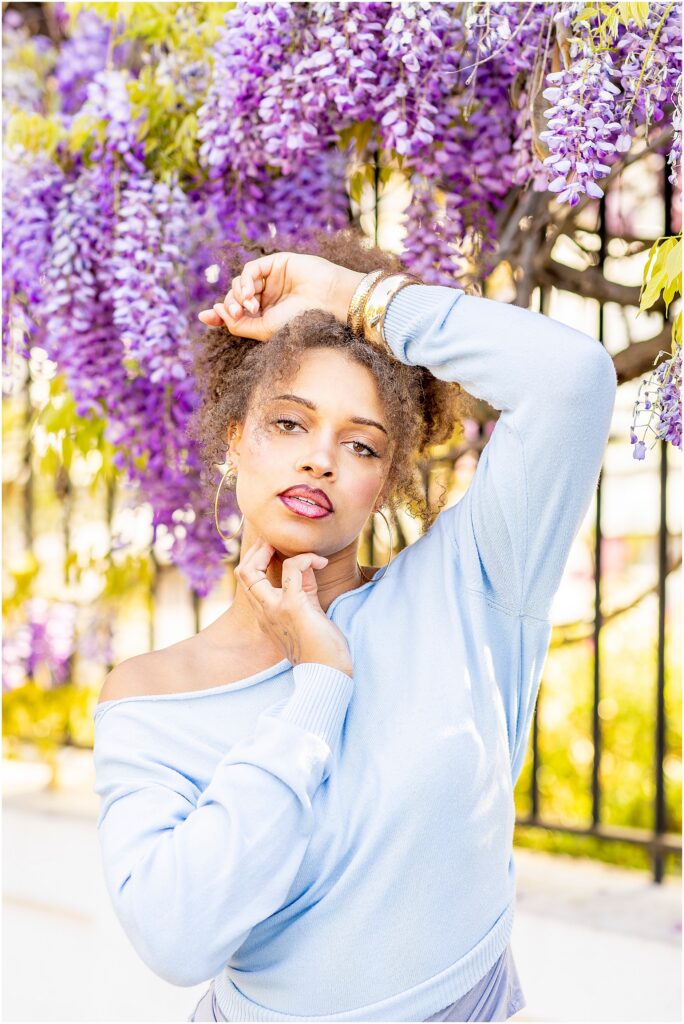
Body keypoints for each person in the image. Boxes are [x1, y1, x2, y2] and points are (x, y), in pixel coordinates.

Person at [92, 227, 617, 1022]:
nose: (320, 461)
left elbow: (572, 379)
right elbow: (175, 937)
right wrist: (317, 689)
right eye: (289, 424)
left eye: (361, 444)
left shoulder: (468, 590)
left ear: (388, 479)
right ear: (237, 438)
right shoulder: (150, 694)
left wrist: (350, 296)